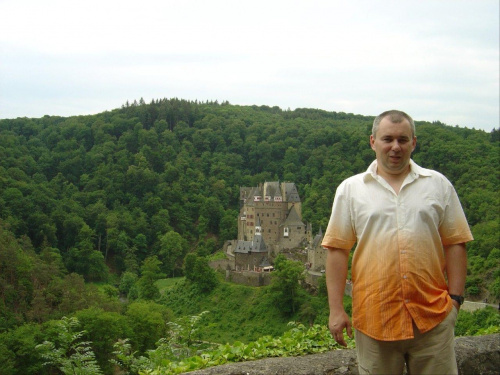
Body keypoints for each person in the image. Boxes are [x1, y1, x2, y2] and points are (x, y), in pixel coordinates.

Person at [322, 110, 473, 375]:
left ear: (413, 143)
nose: (395, 147)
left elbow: (456, 243)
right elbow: (337, 250)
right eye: (387, 139)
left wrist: (455, 302)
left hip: (432, 319)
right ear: (373, 142)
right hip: (374, 320)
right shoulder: (351, 189)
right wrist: (336, 310)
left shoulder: (437, 185)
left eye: (402, 140)